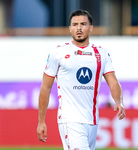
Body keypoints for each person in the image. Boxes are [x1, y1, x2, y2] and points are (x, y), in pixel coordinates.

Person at [37, 9, 125, 150]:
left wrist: (118, 101)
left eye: (83, 24)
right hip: (69, 120)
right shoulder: (58, 52)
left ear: (91, 28)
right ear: (70, 28)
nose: (79, 28)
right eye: (75, 24)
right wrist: (41, 121)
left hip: (92, 120)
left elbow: (113, 81)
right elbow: (45, 87)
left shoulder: (101, 53)